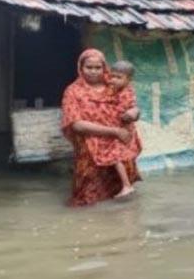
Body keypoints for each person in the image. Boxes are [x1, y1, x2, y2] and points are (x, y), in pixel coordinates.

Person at [60, 49, 141, 206]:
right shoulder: (73, 92)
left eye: (98, 67)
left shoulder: (114, 83)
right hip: (90, 148)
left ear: (105, 67)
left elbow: (132, 104)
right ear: (80, 68)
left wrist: (134, 113)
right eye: (88, 67)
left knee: (122, 197)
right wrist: (114, 132)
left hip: (120, 143)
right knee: (87, 197)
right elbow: (76, 124)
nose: (93, 72)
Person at [90, 60, 142, 198]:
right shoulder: (117, 88)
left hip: (122, 129)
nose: (113, 80)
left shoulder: (126, 93)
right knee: (118, 156)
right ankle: (127, 184)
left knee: (116, 156)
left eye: (118, 77)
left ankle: (126, 185)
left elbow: (121, 112)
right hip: (117, 128)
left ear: (128, 79)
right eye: (112, 76)